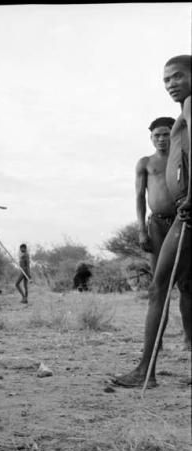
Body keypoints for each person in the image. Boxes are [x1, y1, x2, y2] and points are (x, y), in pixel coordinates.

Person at [112, 55, 191, 388]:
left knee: (161, 288)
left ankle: (146, 370)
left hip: (186, 214)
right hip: (171, 217)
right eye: (165, 80)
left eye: (177, 76)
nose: (170, 84)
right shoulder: (184, 111)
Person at [136, 117, 176, 273]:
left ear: (174, 134)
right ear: (151, 138)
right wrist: (142, 231)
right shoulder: (145, 163)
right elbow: (140, 197)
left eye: (166, 134)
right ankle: (157, 298)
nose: (161, 139)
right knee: (158, 273)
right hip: (157, 224)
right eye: (157, 135)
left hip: (181, 220)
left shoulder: (183, 159)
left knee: (185, 276)